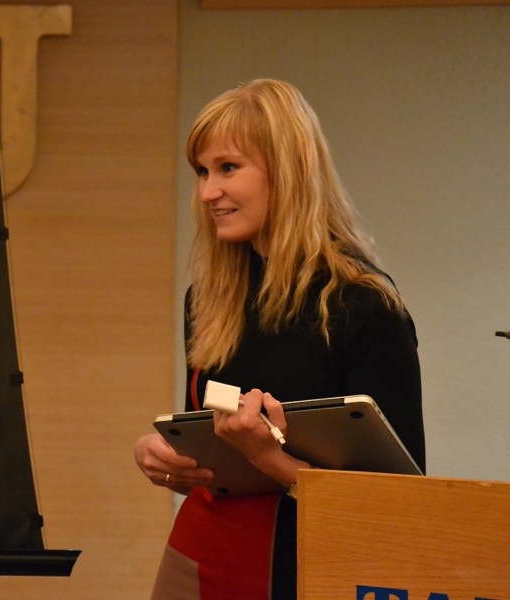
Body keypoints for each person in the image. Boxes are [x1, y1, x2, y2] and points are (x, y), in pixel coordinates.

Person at [134, 79, 425, 600]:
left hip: (306, 569)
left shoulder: (364, 306)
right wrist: (167, 456)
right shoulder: (207, 298)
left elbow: (399, 502)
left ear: (287, 171)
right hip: (200, 554)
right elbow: (208, 437)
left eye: (228, 168)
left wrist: (274, 462)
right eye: (202, 171)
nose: (208, 193)